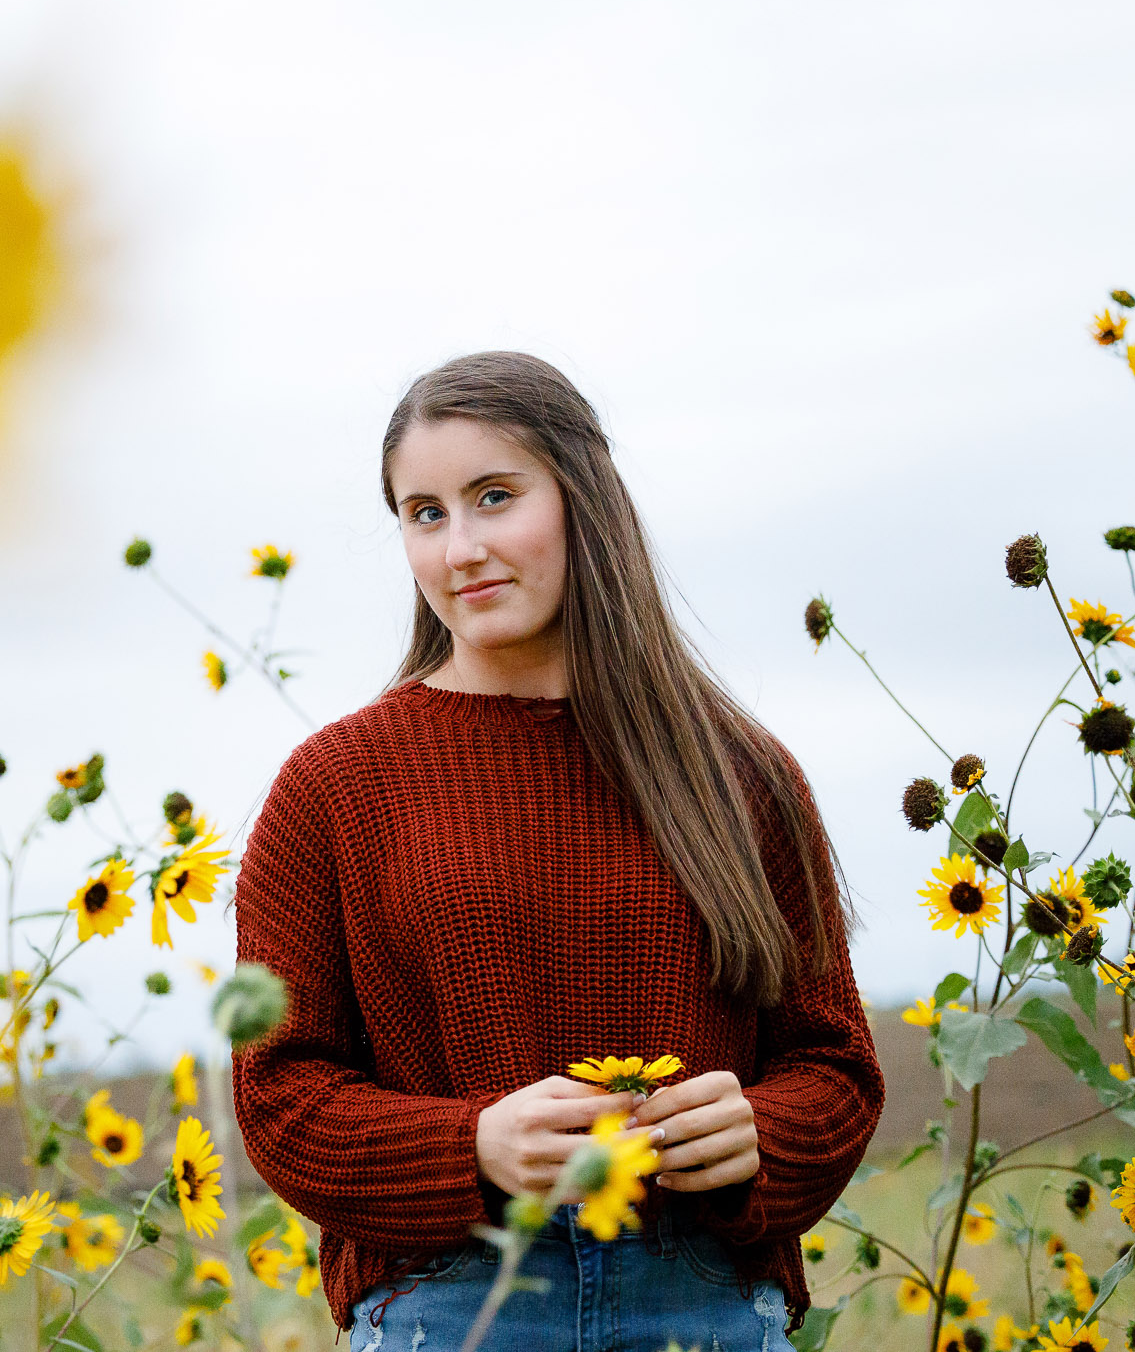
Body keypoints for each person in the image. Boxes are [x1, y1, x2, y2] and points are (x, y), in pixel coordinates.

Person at [230, 351, 884, 1352]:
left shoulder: (739, 771)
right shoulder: (338, 783)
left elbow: (833, 1062)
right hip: (451, 1307)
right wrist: (471, 1144)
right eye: (425, 511)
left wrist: (762, 1134)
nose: (461, 547)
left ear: (584, 495)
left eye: (495, 495)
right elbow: (280, 1094)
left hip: (702, 1300)